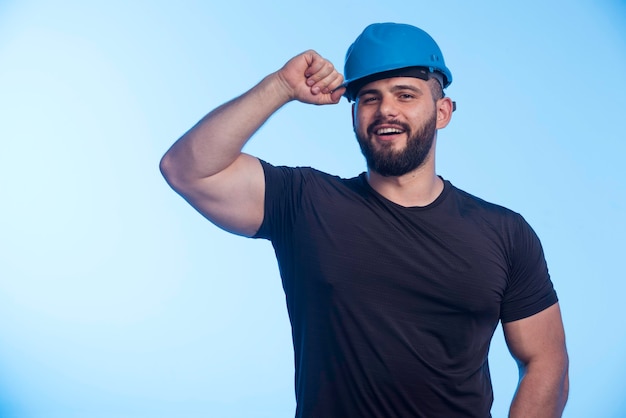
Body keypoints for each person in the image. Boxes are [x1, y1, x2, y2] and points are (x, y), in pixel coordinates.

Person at [160, 22, 569, 418]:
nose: (385, 109)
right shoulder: (305, 202)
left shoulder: (505, 233)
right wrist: (280, 87)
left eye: (405, 95)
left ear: (442, 111)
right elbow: (187, 169)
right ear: (353, 115)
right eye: (370, 98)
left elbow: (545, 360)